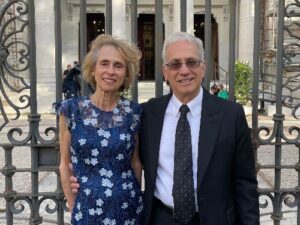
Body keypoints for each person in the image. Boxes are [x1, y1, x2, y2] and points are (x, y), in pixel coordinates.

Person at [70, 32, 259, 225]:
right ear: (164, 71)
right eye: (175, 64)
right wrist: (81, 177)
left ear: (203, 67)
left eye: (192, 62)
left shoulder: (231, 115)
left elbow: (245, 184)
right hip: (161, 218)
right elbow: (117, 155)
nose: (184, 71)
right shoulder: (147, 113)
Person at [58, 34, 143, 225]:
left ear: (126, 74)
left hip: (127, 210)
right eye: (104, 63)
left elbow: (136, 163)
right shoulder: (70, 110)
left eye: (118, 65)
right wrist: (73, 205)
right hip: (86, 211)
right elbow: (64, 164)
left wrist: (135, 198)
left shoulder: (134, 112)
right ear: (93, 69)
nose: (110, 71)